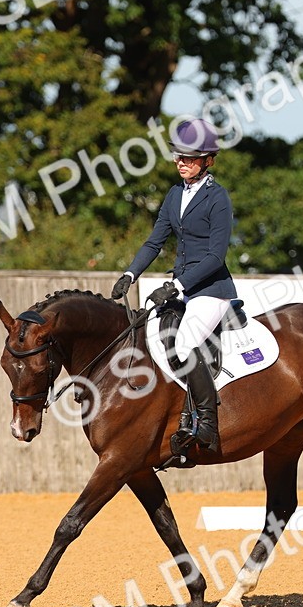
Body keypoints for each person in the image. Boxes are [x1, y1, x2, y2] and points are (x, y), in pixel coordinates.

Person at [111, 117, 236, 452]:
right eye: (178, 156)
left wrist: (177, 286)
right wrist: (130, 274)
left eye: (190, 158)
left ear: (208, 160)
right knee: (150, 339)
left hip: (211, 290)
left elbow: (215, 256)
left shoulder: (217, 198)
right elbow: (154, 243)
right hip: (181, 290)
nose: (181, 162)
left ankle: (208, 424)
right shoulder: (173, 195)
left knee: (184, 344)